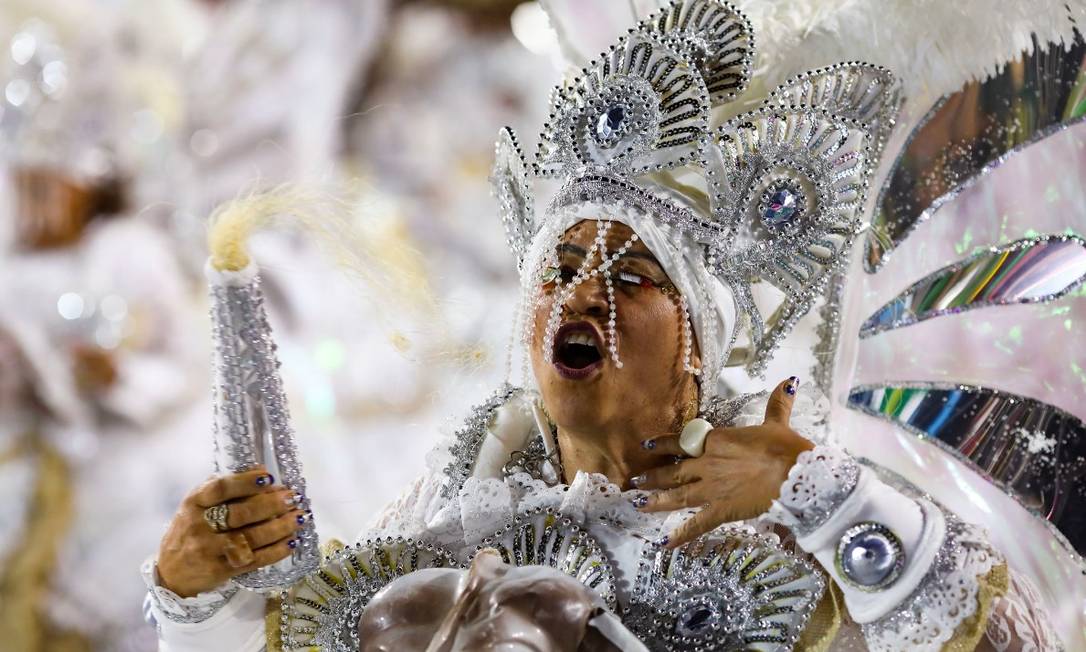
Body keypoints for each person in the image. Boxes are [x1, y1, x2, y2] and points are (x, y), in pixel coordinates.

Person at [143, 1, 1071, 650]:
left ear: (699, 345)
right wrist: (198, 595)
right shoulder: (461, 500)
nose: (580, 294)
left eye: (631, 276)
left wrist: (828, 502)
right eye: (557, 268)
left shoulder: (791, 526)